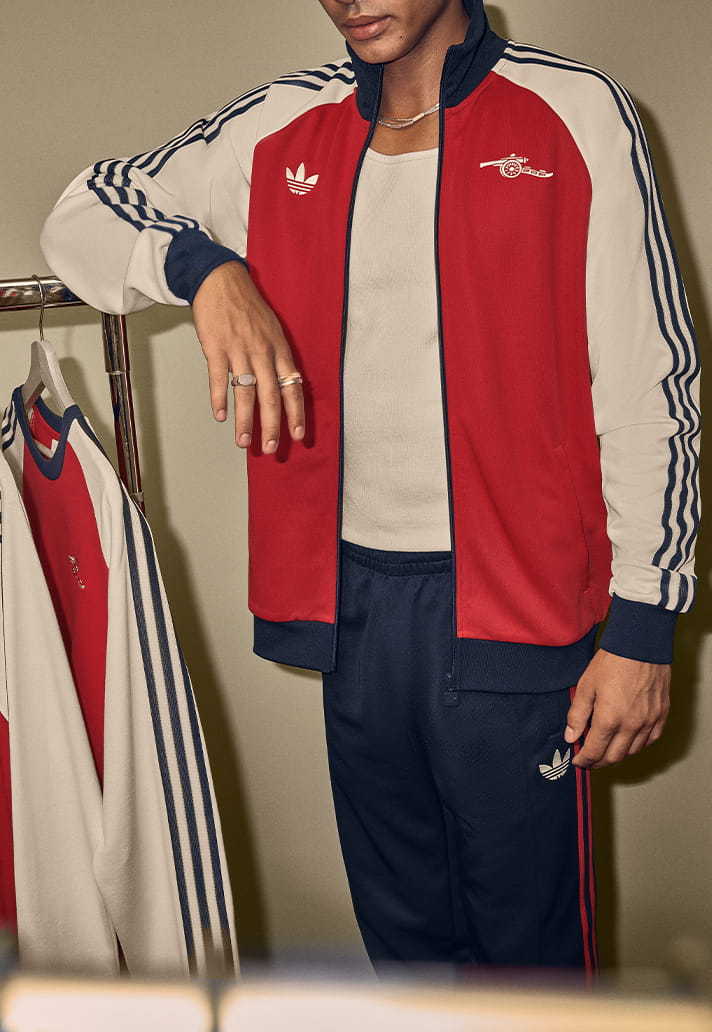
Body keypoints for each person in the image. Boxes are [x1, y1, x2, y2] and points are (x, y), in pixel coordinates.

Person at [39, 0, 701, 983]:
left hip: (518, 610)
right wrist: (205, 270)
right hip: (353, 610)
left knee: (532, 972)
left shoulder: (576, 111)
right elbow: (83, 210)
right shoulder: (280, 124)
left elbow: (653, 382)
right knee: (404, 948)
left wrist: (644, 624)